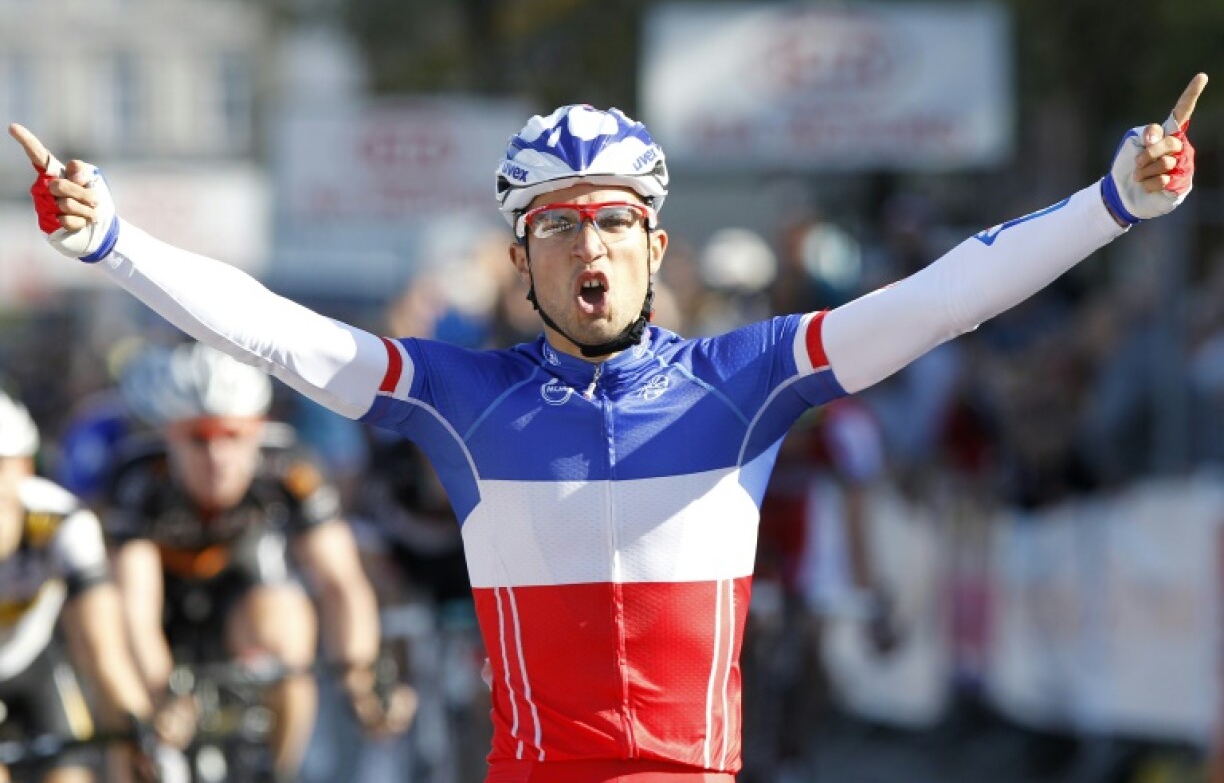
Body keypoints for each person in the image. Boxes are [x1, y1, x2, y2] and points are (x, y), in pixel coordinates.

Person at [7, 72, 1207, 782]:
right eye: (561, 226)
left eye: (616, 222)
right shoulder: (459, 401)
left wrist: (1112, 204)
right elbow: (270, 330)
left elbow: (943, 300)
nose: (592, 247)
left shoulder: (751, 380)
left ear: (657, 247)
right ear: (522, 257)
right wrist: (111, 241)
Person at [100, 342, 415, 783]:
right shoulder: (136, 478)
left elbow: (340, 583)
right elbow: (132, 609)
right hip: (162, 616)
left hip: (244, 606)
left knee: (287, 621)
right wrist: (160, 695)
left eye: (234, 436)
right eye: (199, 438)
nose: (217, 457)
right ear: (170, 434)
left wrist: (361, 678)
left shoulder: (289, 467)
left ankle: (278, 772)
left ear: (258, 430)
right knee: (128, 722)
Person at [0, 387, 162, 783]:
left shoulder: (63, 523)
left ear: (24, 466)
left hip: (32, 663)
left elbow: (103, 651)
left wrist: (141, 728)